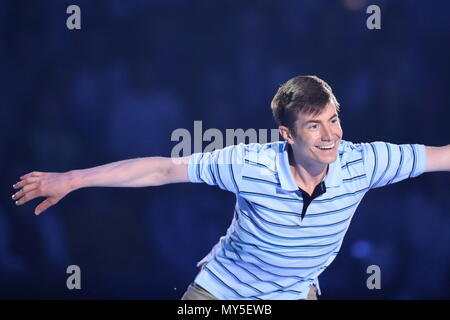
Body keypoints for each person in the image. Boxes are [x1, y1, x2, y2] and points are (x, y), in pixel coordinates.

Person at [11, 75, 450, 300]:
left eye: (333, 119)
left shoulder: (365, 162)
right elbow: (163, 170)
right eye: (314, 126)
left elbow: (441, 156)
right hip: (223, 291)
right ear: (287, 135)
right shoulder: (248, 164)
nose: (330, 135)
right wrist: (72, 179)